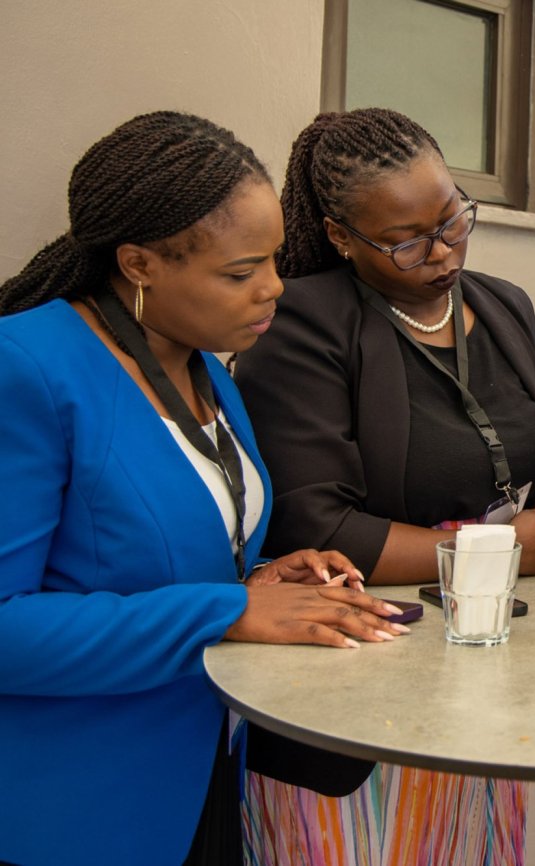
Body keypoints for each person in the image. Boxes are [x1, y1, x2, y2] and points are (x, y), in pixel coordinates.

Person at [0, 111, 408, 866]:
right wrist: (230, 608)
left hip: (205, 773)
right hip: (80, 808)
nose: (273, 290)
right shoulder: (26, 367)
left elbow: (148, 555)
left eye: (274, 260)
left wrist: (259, 577)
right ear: (139, 264)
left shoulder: (209, 368)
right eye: (239, 272)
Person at [235, 108, 535, 864]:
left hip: (487, 671)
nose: (443, 252)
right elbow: (317, 525)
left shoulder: (506, 305)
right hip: (358, 692)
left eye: (453, 219)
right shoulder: (299, 322)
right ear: (341, 236)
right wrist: (500, 548)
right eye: (408, 241)